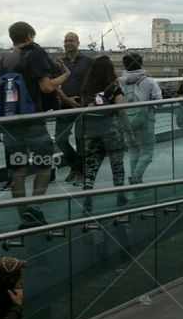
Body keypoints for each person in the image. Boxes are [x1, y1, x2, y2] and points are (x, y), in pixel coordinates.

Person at [0, 21, 71, 229]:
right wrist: (66, 75)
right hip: (34, 122)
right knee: (44, 165)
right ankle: (35, 208)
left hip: (10, 123)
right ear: (30, 35)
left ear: (12, 37)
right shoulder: (35, 54)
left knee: (17, 169)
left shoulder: (5, 59)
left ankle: (23, 216)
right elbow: (47, 87)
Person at [79, 55, 131, 213]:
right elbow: (120, 110)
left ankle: (88, 193)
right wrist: (129, 130)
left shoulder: (87, 86)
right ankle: (120, 195)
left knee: (91, 164)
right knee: (117, 163)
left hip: (91, 129)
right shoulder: (114, 86)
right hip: (111, 129)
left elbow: (83, 106)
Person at [53, 32, 93, 186]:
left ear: (78, 42)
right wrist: (65, 99)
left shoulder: (88, 61)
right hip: (64, 104)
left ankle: (80, 172)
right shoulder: (59, 63)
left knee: (80, 139)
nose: (68, 43)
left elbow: (94, 80)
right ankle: (77, 166)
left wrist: (87, 98)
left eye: (71, 40)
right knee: (60, 138)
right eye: (66, 41)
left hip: (82, 104)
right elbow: (54, 83)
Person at [120, 53, 163, 184]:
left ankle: (135, 179)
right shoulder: (149, 81)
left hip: (126, 120)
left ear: (125, 66)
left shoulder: (120, 81)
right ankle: (137, 176)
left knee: (133, 151)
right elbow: (159, 101)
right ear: (141, 64)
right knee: (147, 152)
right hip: (145, 120)